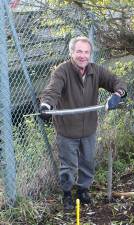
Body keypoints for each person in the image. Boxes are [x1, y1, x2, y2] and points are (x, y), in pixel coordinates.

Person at [39, 36, 126, 210]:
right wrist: (46, 104)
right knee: (69, 166)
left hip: (89, 129)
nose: (83, 56)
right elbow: (52, 90)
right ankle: (67, 194)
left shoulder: (96, 71)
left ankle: (83, 190)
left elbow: (117, 81)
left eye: (86, 52)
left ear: (90, 54)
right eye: (79, 51)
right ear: (71, 52)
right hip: (67, 130)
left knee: (87, 162)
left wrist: (118, 94)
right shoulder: (62, 71)